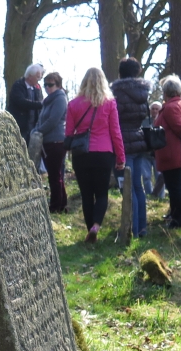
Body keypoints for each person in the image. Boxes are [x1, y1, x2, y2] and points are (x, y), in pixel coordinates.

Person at [65, 67, 125, 243]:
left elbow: (68, 133)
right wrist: (120, 157)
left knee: (86, 195)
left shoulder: (73, 104)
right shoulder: (109, 103)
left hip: (81, 154)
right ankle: (96, 226)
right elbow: (116, 132)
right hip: (103, 153)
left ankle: (89, 229)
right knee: (101, 194)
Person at [110, 57, 151, 237]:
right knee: (138, 186)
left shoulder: (117, 93)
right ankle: (142, 228)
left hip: (122, 142)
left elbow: (113, 119)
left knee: (127, 187)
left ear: (120, 72)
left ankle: (131, 230)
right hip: (138, 139)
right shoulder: (143, 93)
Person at [154, 76, 181, 228]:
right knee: (176, 188)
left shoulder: (170, 107)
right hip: (175, 155)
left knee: (175, 189)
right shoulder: (178, 105)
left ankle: (179, 219)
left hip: (173, 155)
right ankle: (179, 216)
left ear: (166, 92)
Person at [35, 72, 69, 212]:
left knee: (55, 175)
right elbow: (42, 119)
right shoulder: (48, 100)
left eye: (51, 85)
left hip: (56, 141)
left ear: (58, 85)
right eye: (45, 85)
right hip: (47, 142)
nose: (48, 88)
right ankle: (61, 204)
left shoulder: (60, 98)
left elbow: (53, 120)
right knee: (55, 175)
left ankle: (56, 206)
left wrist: (38, 131)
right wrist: (35, 129)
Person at [7, 64, 45, 143]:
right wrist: (40, 104)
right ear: (30, 76)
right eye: (37, 77)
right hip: (19, 127)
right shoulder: (18, 85)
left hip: (33, 128)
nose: (39, 79)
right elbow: (21, 102)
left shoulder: (37, 88)